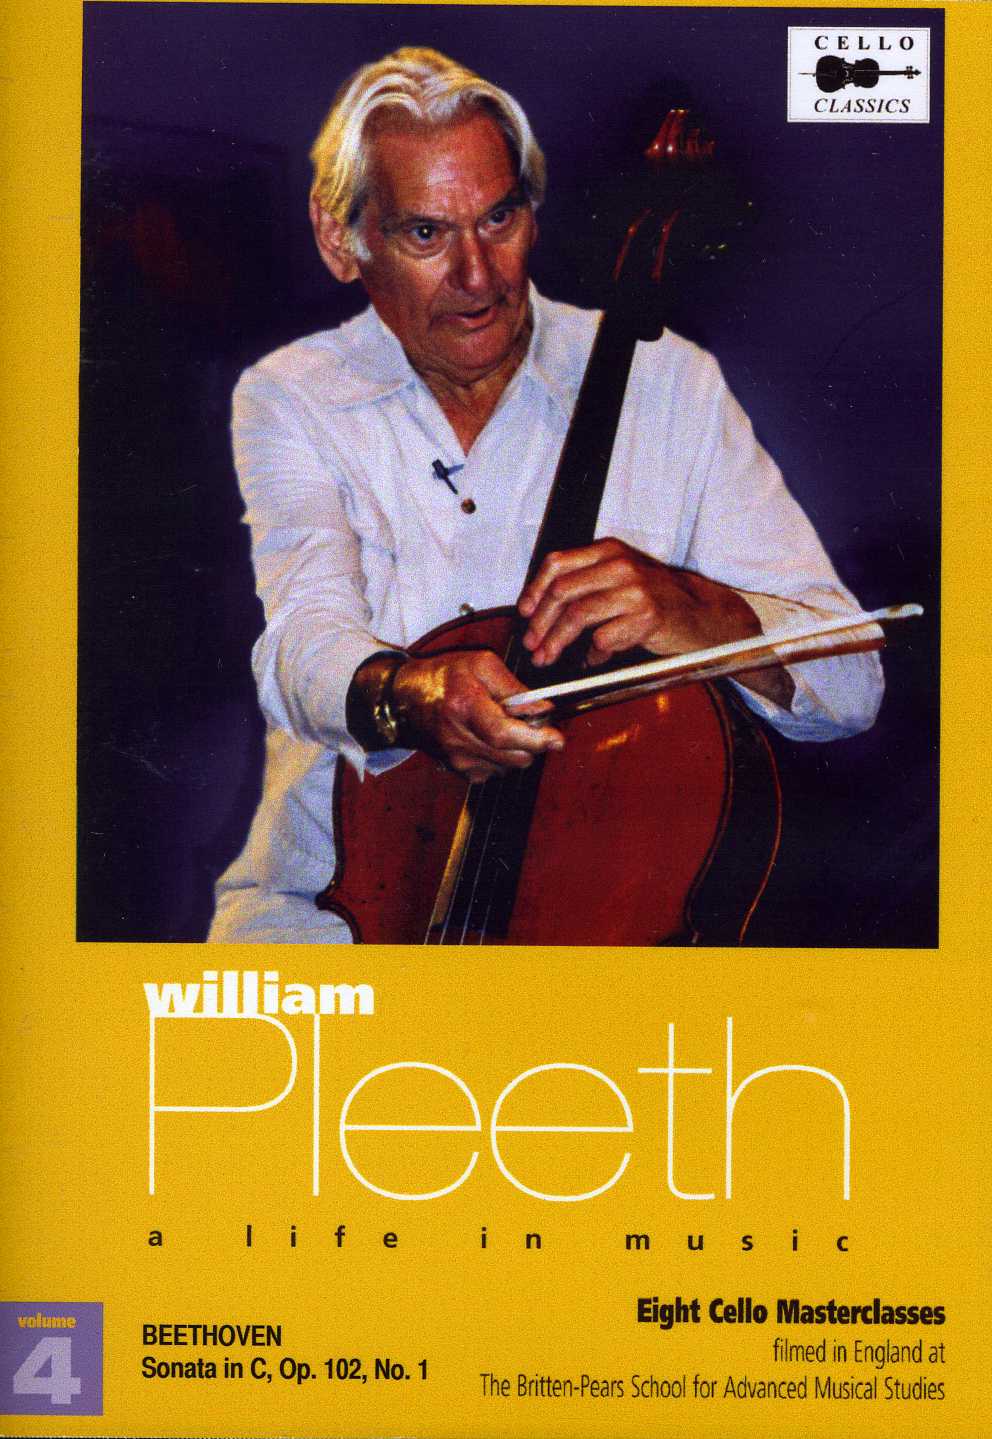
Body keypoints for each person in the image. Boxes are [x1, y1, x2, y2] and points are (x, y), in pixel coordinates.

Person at [209, 46, 883, 944]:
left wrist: (696, 609)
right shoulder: (291, 395)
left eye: (500, 218)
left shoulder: (671, 386)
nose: (479, 275)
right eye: (426, 234)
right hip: (329, 912)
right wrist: (406, 692)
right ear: (341, 240)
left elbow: (851, 680)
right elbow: (301, 638)